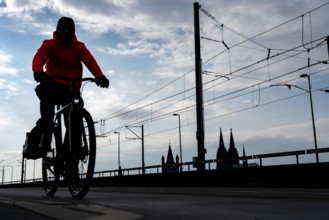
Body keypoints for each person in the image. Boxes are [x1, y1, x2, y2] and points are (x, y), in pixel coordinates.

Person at [32, 17, 109, 156]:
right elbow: (39, 57)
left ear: (74, 32)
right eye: (63, 29)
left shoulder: (79, 47)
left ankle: (72, 148)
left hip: (71, 88)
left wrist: (100, 76)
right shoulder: (49, 44)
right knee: (47, 106)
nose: (67, 31)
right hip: (52, 85)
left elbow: (90, 61)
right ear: (58, 30)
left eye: (70, 29)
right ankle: (46, 136)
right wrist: (37, 70)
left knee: (76, 115)